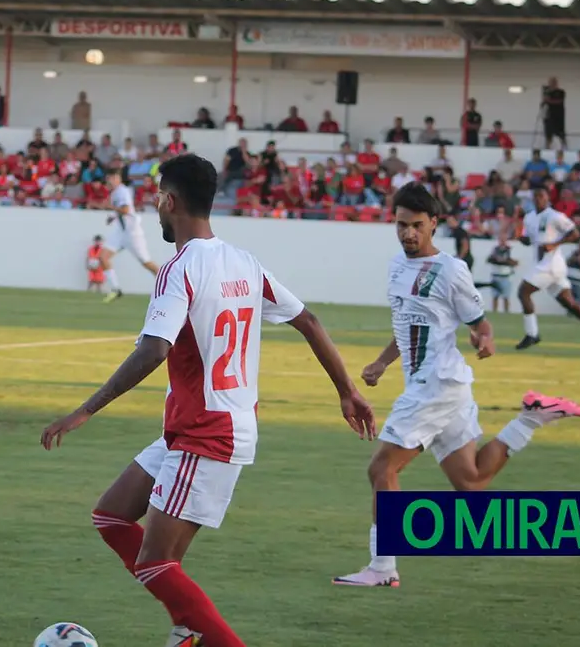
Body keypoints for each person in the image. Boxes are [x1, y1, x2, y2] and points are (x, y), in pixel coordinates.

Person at [42, 153, 376, 645]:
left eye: (158, 197)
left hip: (207, 433)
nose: (156, 205)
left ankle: (203, 633)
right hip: (200, 429)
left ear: (169, 201)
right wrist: (347, 392)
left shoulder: (180, 269)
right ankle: (188, 627)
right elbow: (310, 321)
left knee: (156, 563)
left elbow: (154, 349)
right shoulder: (244, 262)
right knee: (111, 515)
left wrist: (85, 409)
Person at [333, 183, 580, 589]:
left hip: (434, 384)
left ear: (434, 223)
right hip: (444, 386)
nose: (408, 234)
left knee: (382, 468)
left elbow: (479, 320)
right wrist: (381, 363)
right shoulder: (397, 266)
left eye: (417, 225)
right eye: (401, 225)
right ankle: (531, 419)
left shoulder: (450, 269)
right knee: (471, 483)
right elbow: (408, 324)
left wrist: (485, 338)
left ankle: (382, 568)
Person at [514, 187, 580, 352]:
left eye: (541, 196)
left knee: (523, 292)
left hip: (550, 265)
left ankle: (532, 334)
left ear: (547, 198)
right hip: (544, 265)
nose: (538, 199)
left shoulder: (554, 216)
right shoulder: (529, 217)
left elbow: (575, 233)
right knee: (569, 303)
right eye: (535, 196)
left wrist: (555, 244)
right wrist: (520, 237)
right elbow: (530, 240)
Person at [100, 171, 159, 303]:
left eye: (113, 178)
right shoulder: (115, 192)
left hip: (132, 233)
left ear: (118, 179)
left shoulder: (123, 191)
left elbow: (126, 210)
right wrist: (113, 216)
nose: (110, 181)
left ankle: (167, 285)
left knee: (146, 262)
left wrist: (110, 207)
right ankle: (116, 289)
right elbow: (123, 211)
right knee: (103, 257)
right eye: (109, 178)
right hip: (121, 231)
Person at [486, 235, 518, 313]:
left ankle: (506, 312)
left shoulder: (510, 250)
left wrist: (504, 261)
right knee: (495, 296)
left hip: (506, 276)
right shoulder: (494, 250)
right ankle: (495, 311)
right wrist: (496, 259)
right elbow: (488, 260)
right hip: (496, 275)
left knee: (506, 296)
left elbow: (515, 262)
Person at [541, 77, 567, 150]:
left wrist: (548, 101)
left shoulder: (561, 92)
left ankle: (565, 148)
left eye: (553, 83)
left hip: (558, 117)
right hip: (549, 117)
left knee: (561, 134)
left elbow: (559, 101)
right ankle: (547, 148)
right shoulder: (547, 92)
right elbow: (543, 104)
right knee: (548, 135)